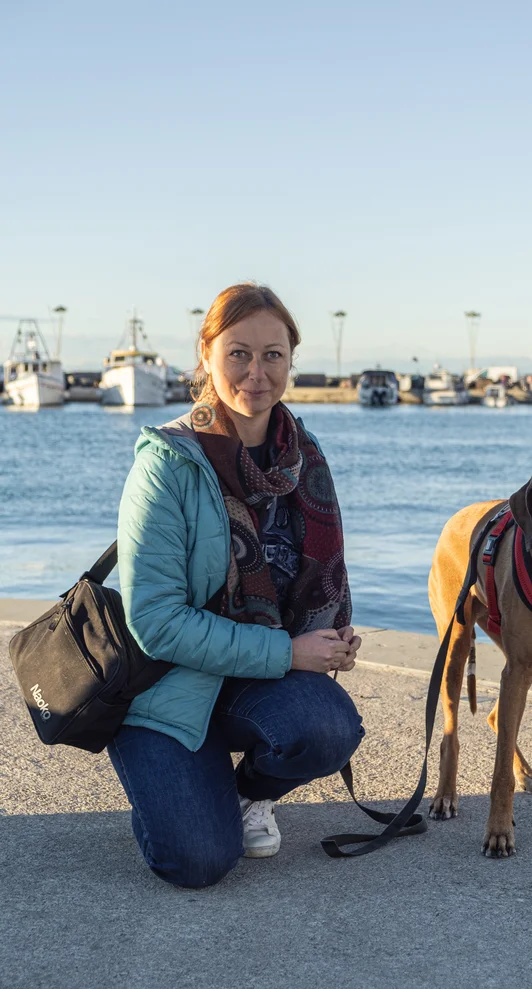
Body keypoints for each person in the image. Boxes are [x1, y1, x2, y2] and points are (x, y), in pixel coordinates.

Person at [108, 283, 364, 888]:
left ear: (291, 361)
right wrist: (290, 653)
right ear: (207, 357)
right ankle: (178, 784)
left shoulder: (304, 455)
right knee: (196, 862)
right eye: (239, 354)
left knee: (330, 729)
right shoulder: (167, 462)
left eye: (273, 355)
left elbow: (312, 576)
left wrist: (329, 635)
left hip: (255, 679)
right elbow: (156, 622)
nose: (257, 372)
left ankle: (248, 792)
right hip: (166, 688)